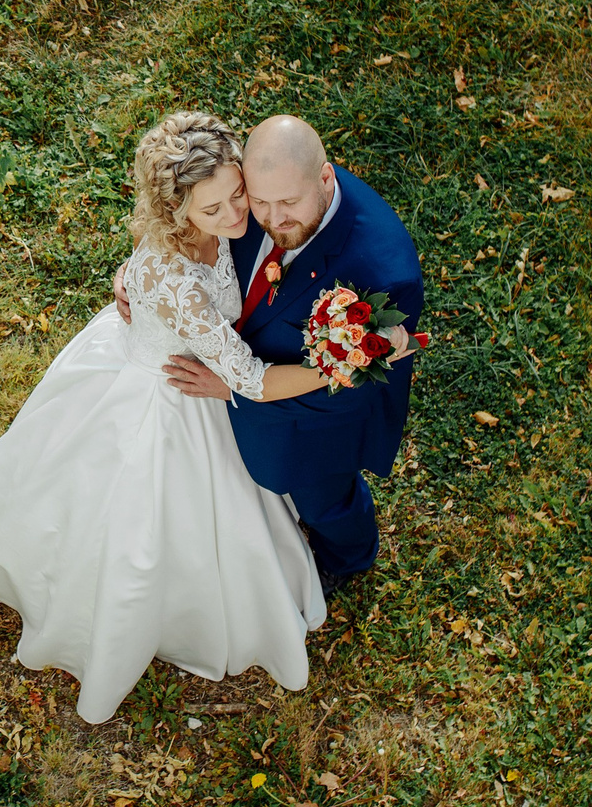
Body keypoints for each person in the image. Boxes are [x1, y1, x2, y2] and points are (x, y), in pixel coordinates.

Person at [0, 112, 329, 725]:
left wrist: (131, 276)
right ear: (177, 213)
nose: (236, 216)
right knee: (134, 527)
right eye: (212, 209)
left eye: (237, 194)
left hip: (181, 362)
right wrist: (340, 365)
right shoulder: (175, 283)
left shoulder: (222, 218)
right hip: (160, 398)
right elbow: (249, 378)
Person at [128, 115, 424, 594]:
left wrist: (237, 387)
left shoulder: (382, 275)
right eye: (259, 200)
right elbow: (175, 237)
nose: (269, 218)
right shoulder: (243, 195)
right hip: (213, 383)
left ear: (324, 178)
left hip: (312, 421)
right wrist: (138, 281)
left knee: (325, 500)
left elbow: (350, 393)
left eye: (288, 203)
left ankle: (348, 559)